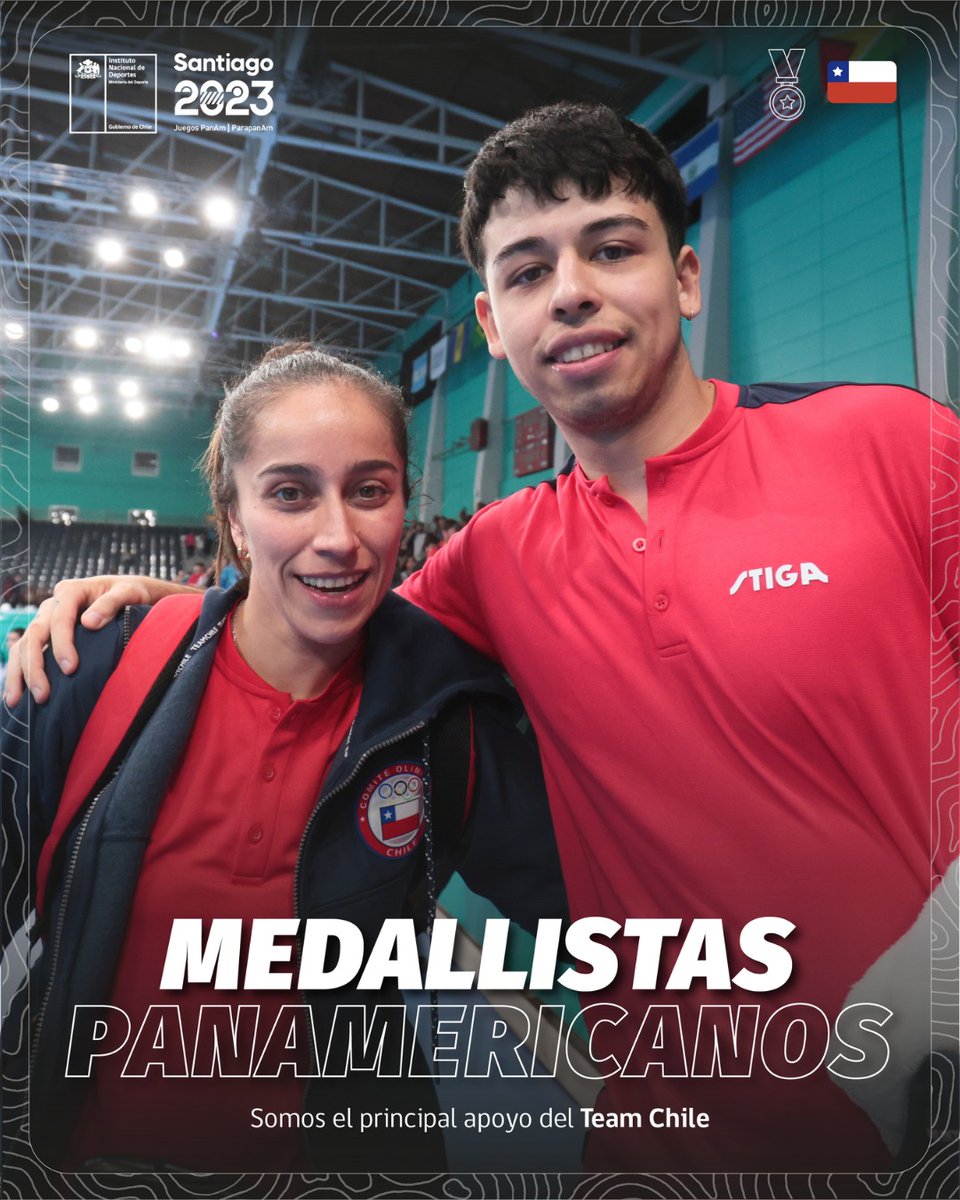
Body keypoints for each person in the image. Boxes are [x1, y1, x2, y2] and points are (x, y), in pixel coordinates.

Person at [7, 102, 958, 1175]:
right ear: (494, 328)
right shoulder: (495, 560)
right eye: (527, 270)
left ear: (687, 277)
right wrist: (169, 605)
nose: (572, 291)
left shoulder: (891, 445)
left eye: (612, 248)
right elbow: (318, 600)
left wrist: (932, 972)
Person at [1, 343, 566, 1173]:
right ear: (233, 515)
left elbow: (606, 910)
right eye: (290, 493)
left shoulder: (445, 721)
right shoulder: (94, 665)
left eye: (369, 491)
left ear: (403, 504)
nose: (338, 537)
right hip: (75, 1162)